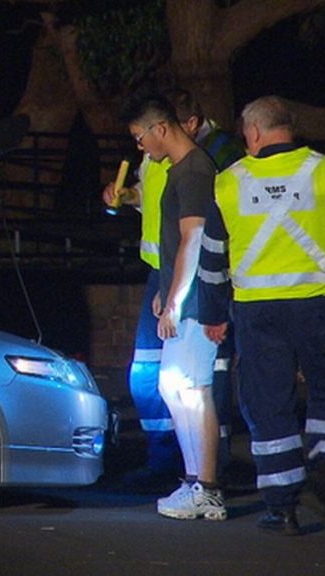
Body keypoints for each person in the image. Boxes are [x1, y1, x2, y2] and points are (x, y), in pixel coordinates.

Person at [198, 96, 325, 536]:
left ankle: (284, 509)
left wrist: (213, 314)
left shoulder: (228, 182)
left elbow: (211, 261)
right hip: (318, 307)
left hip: (256, 313)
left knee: (267, 404)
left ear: (254, 132)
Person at [103, 88, 243, 491]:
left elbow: (193, 239)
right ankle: (192, 479)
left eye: (140, 136)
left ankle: (206, 485)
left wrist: (175, 301)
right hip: (179, 289)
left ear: (161, 128)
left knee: (194, 388)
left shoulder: (196, 169)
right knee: (173, 384)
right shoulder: (178, 167)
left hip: (197, 295)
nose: (139, 146)